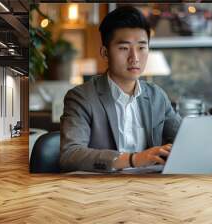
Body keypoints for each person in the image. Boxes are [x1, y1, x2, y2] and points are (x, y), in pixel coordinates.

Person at [60, 6, 181, 172]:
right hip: (101, 190)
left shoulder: (157, 96)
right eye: (124, 48)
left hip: (152, 188)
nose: (135, 58)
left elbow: (183, 141)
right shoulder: (81, 97)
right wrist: (133, 159)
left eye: (141, 47)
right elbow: (70, 155)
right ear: (105, 52)